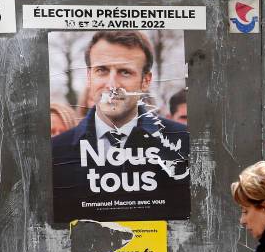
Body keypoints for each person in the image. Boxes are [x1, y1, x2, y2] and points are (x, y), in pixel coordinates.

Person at [51, 31, 189, 223]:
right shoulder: (55, 153)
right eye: (102, 70)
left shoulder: (184, 143)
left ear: (145, 81)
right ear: (89, 76)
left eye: (125, 72)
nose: (112, 85)